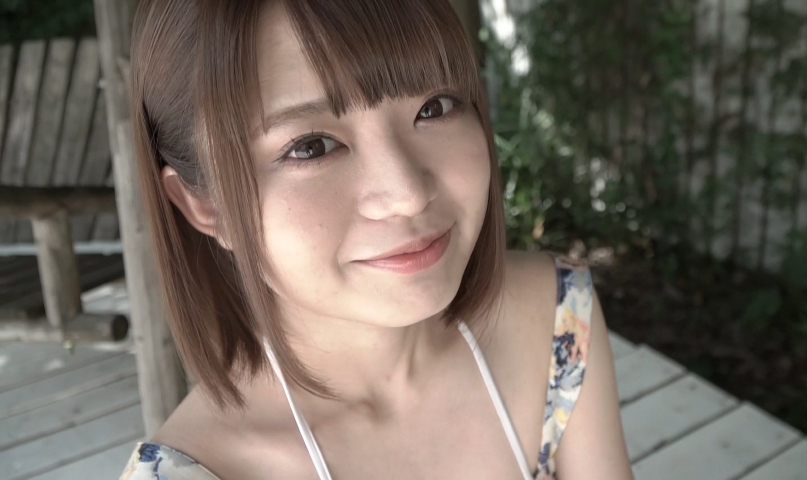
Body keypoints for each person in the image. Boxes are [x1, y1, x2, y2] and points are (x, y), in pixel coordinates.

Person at [118, 0, 633, 479]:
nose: (407, 194)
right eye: (311, 146)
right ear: (206, 206)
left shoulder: (554, 314)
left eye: (434, 107)